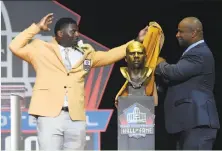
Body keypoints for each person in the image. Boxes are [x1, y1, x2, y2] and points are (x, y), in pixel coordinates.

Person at [9, 13, 147, 150]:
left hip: (75, 117)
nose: (77, 34)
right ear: (60, 33)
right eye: (73, 31)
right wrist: (37, 27)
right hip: (48, 116)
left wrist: (137, 41)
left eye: (77, 31)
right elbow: (15, 46)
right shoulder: (41, 49)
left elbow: (109, 55)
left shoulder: (85, 54)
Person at [155, 17, 220, 150]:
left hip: (198, 124)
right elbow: (176, 79)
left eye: (180, 31)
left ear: (193, 33)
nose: (177, 35)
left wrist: (159, 62)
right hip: (189, 123)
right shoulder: (192, 52)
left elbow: (175, 72)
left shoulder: (199, 53)